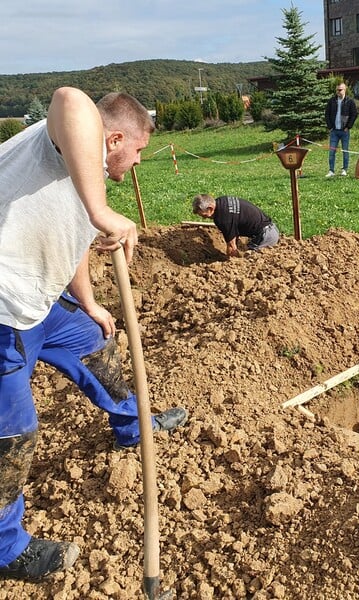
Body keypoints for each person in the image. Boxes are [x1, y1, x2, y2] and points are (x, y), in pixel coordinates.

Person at [0, 87, 188, 582]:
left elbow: (73, 238)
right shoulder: (60, 140)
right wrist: (103, 212)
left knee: (96, 343)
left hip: (39, 302)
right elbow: (69, 99)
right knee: (12, 436)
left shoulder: (91, 177)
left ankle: (133, 426)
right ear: (115, 137)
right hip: (2, 309)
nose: (141, 161)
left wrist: (88, 302)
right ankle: (5, 548)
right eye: (140, 149)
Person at [192, 194, 279, 257]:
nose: (204, 218)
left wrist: (229, 264)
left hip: (266, 237)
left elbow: (232, 248)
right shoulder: (222, 201)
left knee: (249, 260)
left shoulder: (222, 219)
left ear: (210, 208)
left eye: (204, 215)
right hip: (271, 230)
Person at [324, 82, 358, 178]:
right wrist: (330, 127)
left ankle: (344, 169)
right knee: (332, 152)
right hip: (334, 131)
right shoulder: (332, 101)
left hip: (344, 131)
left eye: (340, 90)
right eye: (337, 90)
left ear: (345, 90)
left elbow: (354, 114)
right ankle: (331, 170)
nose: (338, 92)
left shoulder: (350, 101)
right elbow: (327, 114)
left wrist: (348, 126)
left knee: (345, 151)